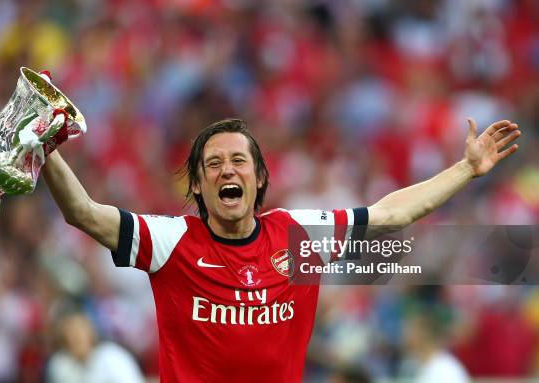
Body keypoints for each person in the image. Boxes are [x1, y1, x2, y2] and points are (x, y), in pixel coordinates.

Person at [42, 117, 520, 382]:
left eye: (237, 161)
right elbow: (82, 212)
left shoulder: (298, 235)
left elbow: (393, 213)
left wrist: (466, 169)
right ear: (199, 187)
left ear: (260, 178)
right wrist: (45, 147)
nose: (227, 171)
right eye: (212, 164)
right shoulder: (172, 242)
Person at [46, 311, 145, 383]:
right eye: (70, 335)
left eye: (79, 334)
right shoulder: (60, 365)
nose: (75, 339)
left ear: (91, 335)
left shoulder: (112, 357)